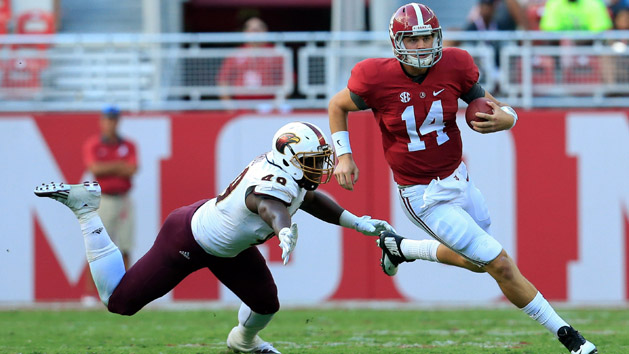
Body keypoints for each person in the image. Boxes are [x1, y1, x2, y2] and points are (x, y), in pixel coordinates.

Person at [327, 3, 597, 354]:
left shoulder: (454, 64)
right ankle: (571, 339)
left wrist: (509, 118)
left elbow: (486, 102)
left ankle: (401, 247)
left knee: (477, 262)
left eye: (427, 38)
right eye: (414, 39)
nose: (423, 46)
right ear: (397, 43)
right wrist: (343, 154)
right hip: (422, 194)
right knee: (498, 263)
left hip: (459, 179)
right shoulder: (374, 76)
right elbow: (338, 105)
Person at [35, 121, 395, 354]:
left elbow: (309, 198)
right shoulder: (271, 184)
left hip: (229, 247)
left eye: (320, 159)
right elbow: (268, 205)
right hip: (187, 240)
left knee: (266, 303)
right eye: (312, 159)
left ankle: (243, 343)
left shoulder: (290, 174)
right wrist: (283, 228)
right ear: (288, 157)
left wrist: (355, 222)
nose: (320, 167)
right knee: (120, 303)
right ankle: (85, 210)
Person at [83, 105, 138, 269]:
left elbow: (132, 169)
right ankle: (91, 293)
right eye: (107, 120)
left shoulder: (128, 145)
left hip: (124, 199)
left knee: (125, 246)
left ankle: (126, 290)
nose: (110, 124)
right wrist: (120, 165)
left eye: (113, 120)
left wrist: (107, 167)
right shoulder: (94, 144)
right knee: (97, 247)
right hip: (103, 200)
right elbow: (94, 168)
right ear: (102, 122)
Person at [216, 17, 287, 113]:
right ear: (245, 33)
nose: (256, 32)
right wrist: (230, 107)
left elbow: (287, 83)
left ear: (266, 32)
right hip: (241, 107)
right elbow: (223, 82)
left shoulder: (276, 54)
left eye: (259, 29)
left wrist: (277, 104)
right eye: (252, 30)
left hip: (268, 107)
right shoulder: (235, 55)